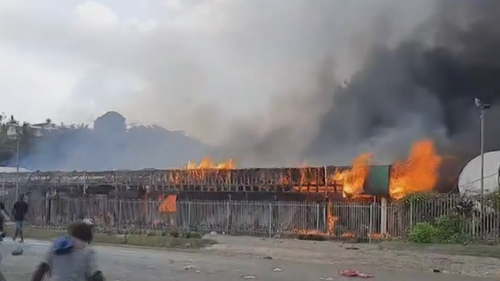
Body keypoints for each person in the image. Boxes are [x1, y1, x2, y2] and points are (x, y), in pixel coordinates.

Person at [31, 220, 105, 281]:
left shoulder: (56, 247)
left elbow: (40, 271)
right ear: (89, 237)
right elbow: (97, 277)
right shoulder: (88, 252)